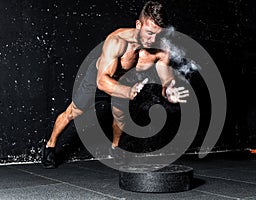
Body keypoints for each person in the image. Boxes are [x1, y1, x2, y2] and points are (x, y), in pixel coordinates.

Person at [41, 0, 189, 168]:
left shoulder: (162, 51)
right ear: (138, 24)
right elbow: (102, 81)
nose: (153, 39)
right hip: (99, 77)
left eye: (158, 34)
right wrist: (127, 91)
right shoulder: (118, 41)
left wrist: (169, 91)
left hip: (125, 81)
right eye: (149, 33)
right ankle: (50, 145)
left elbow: (166, 80)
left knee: (120, 116)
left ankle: (115, 147)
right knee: (74, 111)